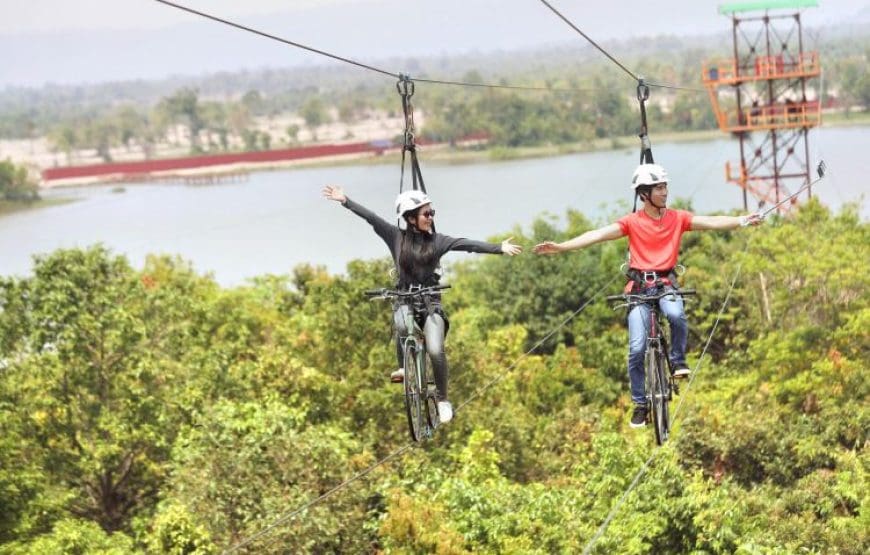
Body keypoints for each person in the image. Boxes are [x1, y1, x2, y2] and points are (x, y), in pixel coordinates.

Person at [532, 163, 761, 428]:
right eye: (659, 188)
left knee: (676, 314)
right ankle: (640, 404)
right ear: (644, 194)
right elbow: (597, 235)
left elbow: (711, 221)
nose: (665, 192)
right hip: (639, 289)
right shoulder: (632, 222)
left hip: (665, 284)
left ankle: (677, 362)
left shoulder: (677, 218)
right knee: (637, 348)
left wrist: (742, 220)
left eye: (665, 187)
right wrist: (561, 247)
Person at [323, 185, 522, 423]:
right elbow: (371, 218)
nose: (430, 218)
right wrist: (345, 200)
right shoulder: (395, 237)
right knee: (402, 322)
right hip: (405, 301)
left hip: (430, 304)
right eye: (426, 214)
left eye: (432, 213)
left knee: (436, 351)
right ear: (410, 218)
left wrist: (498, 248)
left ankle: (443, 400)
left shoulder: (437, 242)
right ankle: (405, 367)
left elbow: (466, 244)